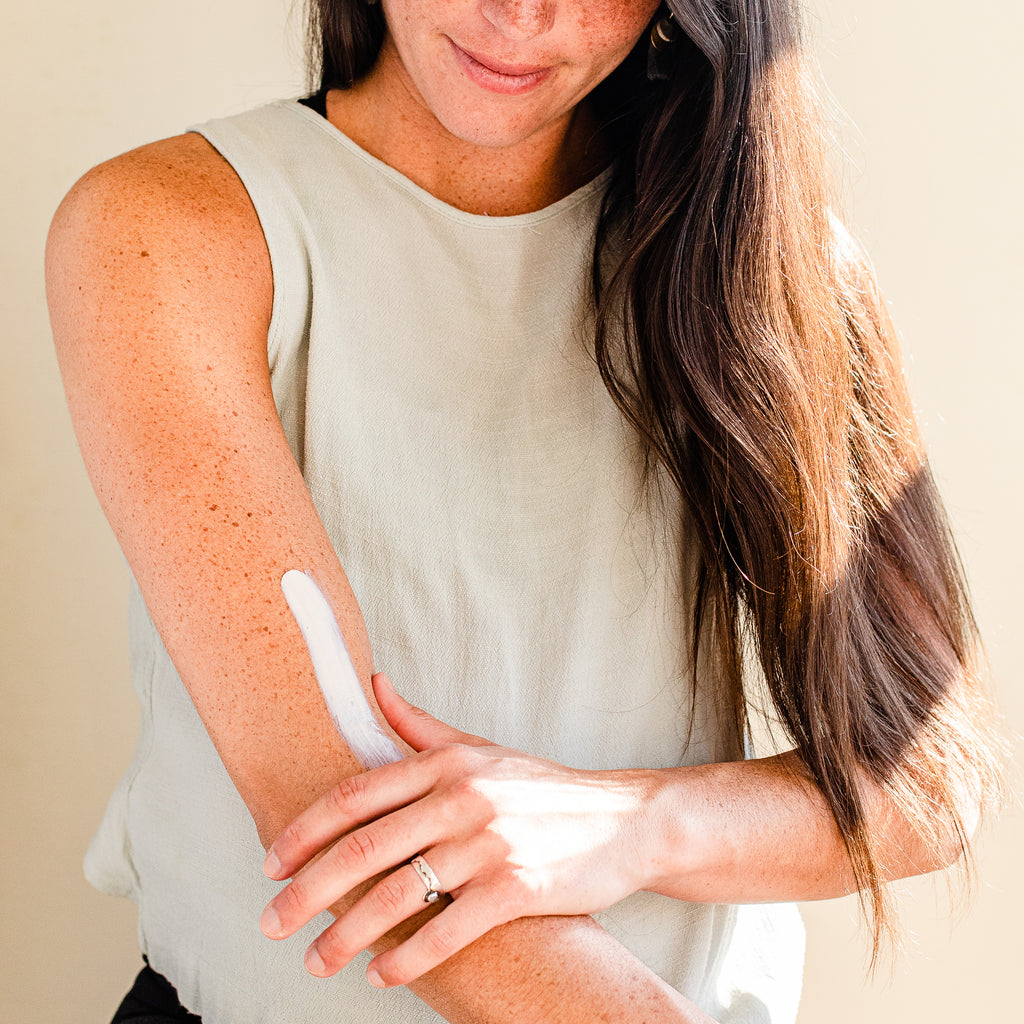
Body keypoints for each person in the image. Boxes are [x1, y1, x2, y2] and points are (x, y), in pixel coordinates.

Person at [45, 1, 1005, 1022]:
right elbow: (344, 827)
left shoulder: (768, 260)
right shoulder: (171, 228)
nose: (521, 13)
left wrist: (636, 824)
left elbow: (925, 781)